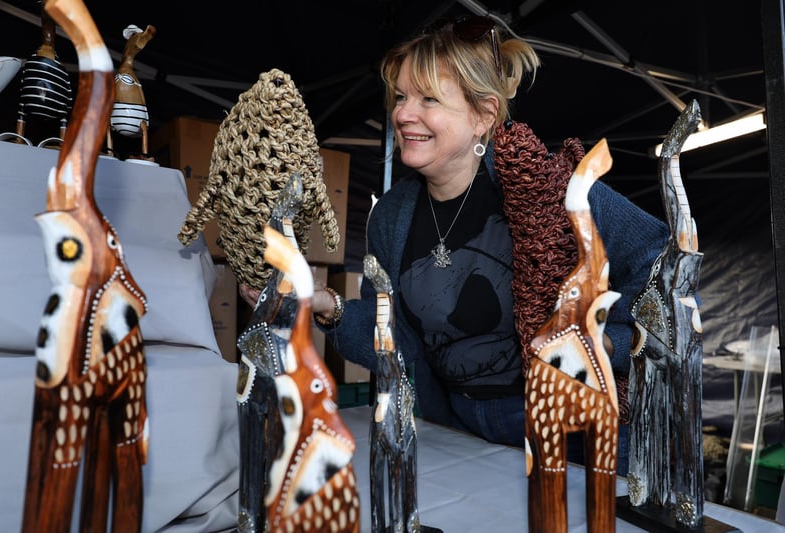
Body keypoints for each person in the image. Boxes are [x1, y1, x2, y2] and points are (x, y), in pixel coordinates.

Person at [240, 14, 668, 475]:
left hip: (577, 435)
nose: (403, 113)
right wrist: (325, 305)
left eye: (428, 99)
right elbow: (395, 339)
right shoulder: (391, 217)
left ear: (482, 116)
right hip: (460, 431)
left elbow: (663, 265)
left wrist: (604, 342)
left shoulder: (551, 186)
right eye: (401, 97)